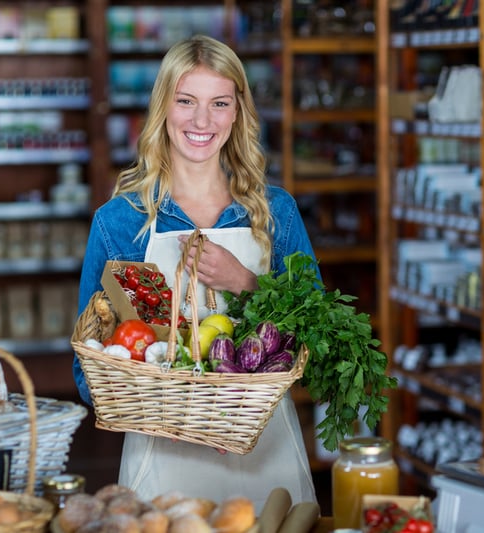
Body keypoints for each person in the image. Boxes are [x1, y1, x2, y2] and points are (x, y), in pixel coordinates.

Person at [73, 34, 319, 512]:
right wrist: (179, 411)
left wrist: (245, 283)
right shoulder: (119, 222)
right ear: (163, 107)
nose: (202, 121)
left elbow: (318, 334)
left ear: (237, 112)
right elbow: (89, 369)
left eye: (219, 103)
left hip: (265, 455)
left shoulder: (276, 214)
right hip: (163, 460)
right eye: (186, 101)